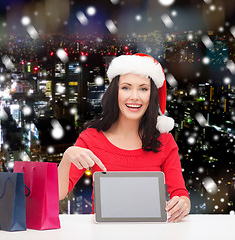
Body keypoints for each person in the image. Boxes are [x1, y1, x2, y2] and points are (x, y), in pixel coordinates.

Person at [58, 53, 191, 223]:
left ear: (152, 96)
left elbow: (180, 193)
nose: (134, 97)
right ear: (115, 92)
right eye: (126, 87)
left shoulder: (165, 141)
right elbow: (59, 193)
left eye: (143, 89)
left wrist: (182, 205)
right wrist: (67, 156)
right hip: (103, 234)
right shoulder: (90, 138)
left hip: (150, 233)